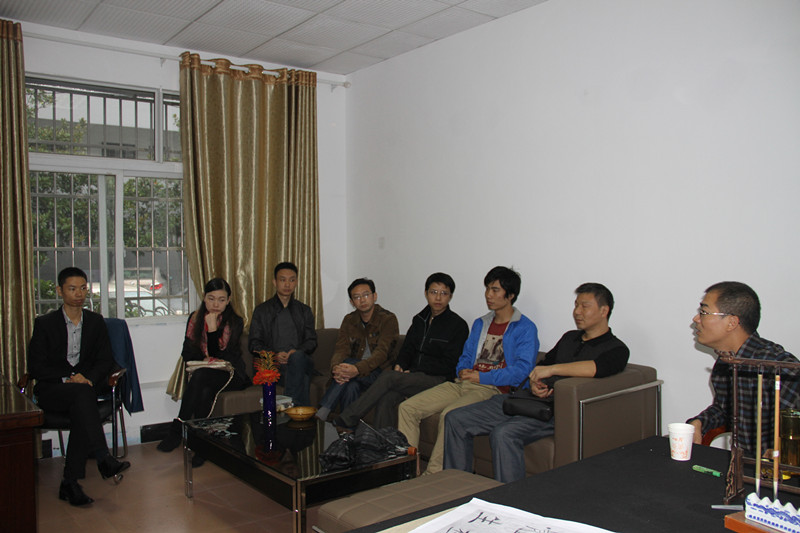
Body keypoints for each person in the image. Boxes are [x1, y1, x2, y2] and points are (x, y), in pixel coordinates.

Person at [444, 283, 629, 482]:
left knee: (504, 434)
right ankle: (457, 487)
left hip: (554, 411)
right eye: (576, 305)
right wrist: (535, 383)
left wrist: (553, 370)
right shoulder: (570, 338)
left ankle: (510, 497)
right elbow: (542, 366)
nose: (577, 312)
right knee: (456, 418)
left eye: (584, 306)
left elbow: (597, 368)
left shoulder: (617, 349)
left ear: (604, 311)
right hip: (528, 399)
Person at [397, 266, 539, 475]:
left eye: (495, 290)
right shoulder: (481, 323)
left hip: (491, 389)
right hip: (462, 383)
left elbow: (522, 370)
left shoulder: (525, 328)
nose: (488, 295)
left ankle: (432, 475)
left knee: (450, 415)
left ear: (510, 295)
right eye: (487, 289)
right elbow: (465, 356)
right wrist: (463, 370)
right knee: (407, 408)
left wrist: (482, 376)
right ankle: (406, 471)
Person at [28, 267, 131, 506]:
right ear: (60, 291)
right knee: (85, 400)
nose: (79, 294)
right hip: (53, 390)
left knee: (82, 406)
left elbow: (105, 360)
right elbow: (36, 367)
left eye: (83, 288)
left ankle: (70, 482)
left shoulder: (95, 322)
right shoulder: (45, 324)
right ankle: (103, 457)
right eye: (72, 288)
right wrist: (70, 376)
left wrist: (88, 378)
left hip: (84, 390)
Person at [333, 273, 469, 429]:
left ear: (450, 296)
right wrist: (400, 365)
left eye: (444, 293)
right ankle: (381, 441)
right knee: (387, 397)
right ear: (426, 294)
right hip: (412, 377)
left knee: (389, 377)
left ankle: (349, 416)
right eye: (433, 292)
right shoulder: (419, 320)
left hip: (439, 379)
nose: (438, 298)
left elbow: (450, 363)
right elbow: (407, 349)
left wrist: (413, 370)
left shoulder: (458, 325)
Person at [687, 281, 800, 455]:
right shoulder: (726, 361)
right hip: (740, 464)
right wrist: (699, 423)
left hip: (772, 469)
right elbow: (725, 410)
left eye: (704, 312)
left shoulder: (779, 367)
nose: (696, 319)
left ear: (732, 322)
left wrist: (781, 455)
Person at [157, 278, 247, 461]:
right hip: (205, 373)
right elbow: (187, 353)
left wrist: (212, 329)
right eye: (211, 298)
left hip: (231, 374)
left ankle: (177, 428)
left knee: (201, 376)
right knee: (203, 388)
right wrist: (205, 359)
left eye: (221, 300)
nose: (216, 304)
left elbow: (224, 356)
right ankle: (203, 446)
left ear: (228, 300)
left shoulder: (235, 321)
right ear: (204, 298)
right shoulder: (195, 318)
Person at [316, 278, 399, 421]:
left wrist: (357, 369)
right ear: (352, 302)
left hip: (379, 374)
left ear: (374, 296)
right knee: (351, 386)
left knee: (349, 364)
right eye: (357, 297)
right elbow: (341, 349)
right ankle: (347, 428)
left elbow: (382, 353)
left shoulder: (388, 319)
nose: (362, 300)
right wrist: (336, 368)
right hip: (354, 374)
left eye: (366, 295)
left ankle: (323, 411)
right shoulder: (349, 320)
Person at [249, 262, 317, 406]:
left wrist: (296, 352)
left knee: (297, 358)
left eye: (292, 280)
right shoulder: (262, 311)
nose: (287, 284)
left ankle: (289, 410)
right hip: (274, 365)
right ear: (275, 282)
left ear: (296, 282)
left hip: (301, 361)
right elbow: (254, 343)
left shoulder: (304, 310)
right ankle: (297, 412)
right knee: (303, 378)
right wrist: (274, 355)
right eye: (283, 280)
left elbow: (311, 341)